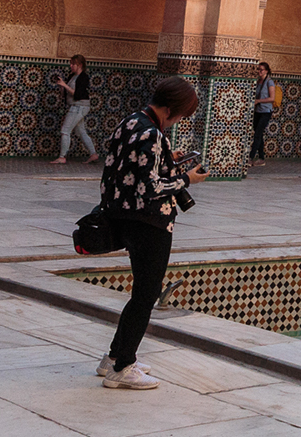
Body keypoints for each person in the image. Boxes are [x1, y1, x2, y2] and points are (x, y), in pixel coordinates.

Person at [97, 75, 207, 388]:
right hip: (149, 222)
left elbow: (129, 166)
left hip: (123, 216)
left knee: (140, 293)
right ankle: (123, 368)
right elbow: (152, 186)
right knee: (146, 295)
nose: (179, 121)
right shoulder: (152, 133)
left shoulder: (131, 122)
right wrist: (187, 179)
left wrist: (166, 159)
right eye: (183, 114)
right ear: (173, 109)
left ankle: (114, 357)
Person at [51, 54, 98, 164]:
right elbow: (66, 94)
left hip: (79, 106)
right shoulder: (72, 76)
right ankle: (93, 154)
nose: (71, 66)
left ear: (80, 65)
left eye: (73, 64)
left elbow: (78, 94)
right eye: (71, 64)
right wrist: (62, 86)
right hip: (75, 106)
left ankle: (62, 157)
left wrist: (65, 85)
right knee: (81, 131)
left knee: (65, 130)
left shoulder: (83, 77)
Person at [248, 61, 277, 167]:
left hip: (265, 112)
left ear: (266, 71)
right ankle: (261, 158)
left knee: (257, 135)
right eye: (258, 69)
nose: (259, 72)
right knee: (258, 134)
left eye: (261, 70)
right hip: (258, 111)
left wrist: (259, 101)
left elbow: (272, 98)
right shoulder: (258, 82)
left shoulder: (269, 82)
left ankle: (250, 157)